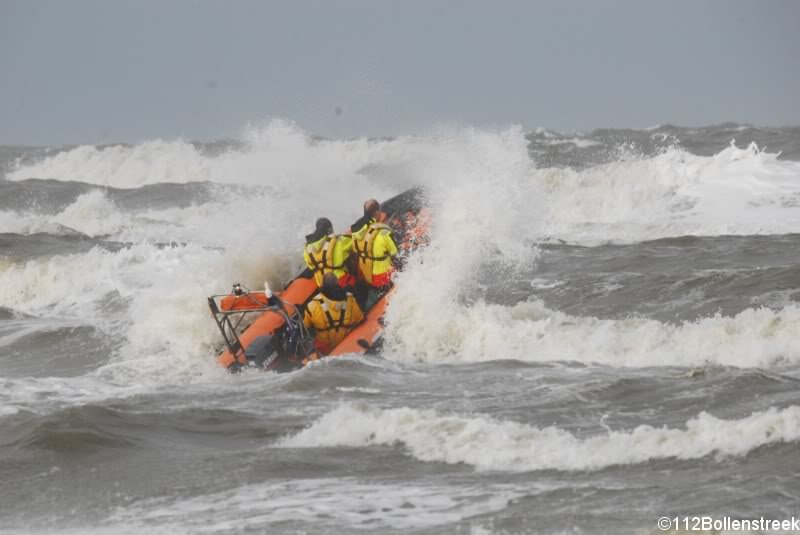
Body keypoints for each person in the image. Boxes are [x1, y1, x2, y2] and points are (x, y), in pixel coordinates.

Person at [351, 199, 398, 310]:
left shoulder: (356, 231)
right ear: (376, 213)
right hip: (383, 275)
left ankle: (368, 307)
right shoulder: (382, 232)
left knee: (372, 293)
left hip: (365, 273)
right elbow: (395, 253)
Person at [303, 273, 364, 355]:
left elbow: (305, 327)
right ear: (338, 283)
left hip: (324, 351)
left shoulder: (312, 305)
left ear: (322, 285)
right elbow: (360, 319)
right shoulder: (350, 300)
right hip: (347, 346)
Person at [303, 217, 355, 288]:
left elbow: (311, 266)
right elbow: (353, 238)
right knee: (358, 283)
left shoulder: (307, 249)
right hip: (339, 283)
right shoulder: (338, 242)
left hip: (322, 285)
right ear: (329, 229)